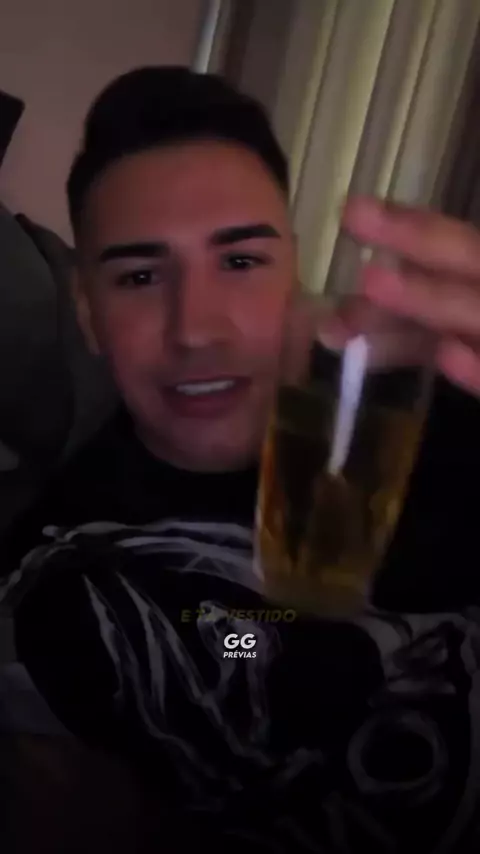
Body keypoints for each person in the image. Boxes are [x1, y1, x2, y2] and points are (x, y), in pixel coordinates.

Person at [2, 66, 480, 852]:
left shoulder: (442, 424)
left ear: (296, 271)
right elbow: (238, 636)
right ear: (87, 311)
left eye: (240, 262)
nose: (196, 330)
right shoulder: (65, 583)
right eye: (140, 276)